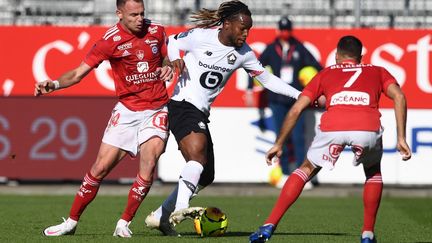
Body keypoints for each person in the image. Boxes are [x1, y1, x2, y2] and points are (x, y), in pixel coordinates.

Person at [143, 0, 302, 236]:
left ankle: (160, 216)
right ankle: (181, 208)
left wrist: (301, 96)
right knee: (196, 155)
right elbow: (173, 41)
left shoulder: (244, 54)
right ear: (227, 24)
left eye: (249, 29)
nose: (245, 33)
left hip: (200, 113)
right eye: (242, 28)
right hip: (181, 104)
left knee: (206, 175)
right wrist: (175, 58)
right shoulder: (200, 36)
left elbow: (268, 80)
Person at [249, 35, 412, 243]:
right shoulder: (377, 71)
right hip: (367, 127)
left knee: (306, 168)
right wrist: (401, 137)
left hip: (333, 126)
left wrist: (279, 143)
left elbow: (297, 108)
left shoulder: (325, 74)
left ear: (336, 56)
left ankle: (268, 226)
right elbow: (399, 96)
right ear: (360, 57)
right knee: (372, 171)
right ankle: (367, 234)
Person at [35, 0, 173, 238]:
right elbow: (78, 73)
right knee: (99, 169)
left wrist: (168, 66)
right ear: (119, 14)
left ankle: (124, 223)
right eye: (133, 15)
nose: (140, 19)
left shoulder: (157, 31)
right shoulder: (109, 41)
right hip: (128, 110)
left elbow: (166, 59)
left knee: (149, 164)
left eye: (142, 13)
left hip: (157, 108)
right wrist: (54, 84)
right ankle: (71, 222)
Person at [246, 16, 322, 189]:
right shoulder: (271, 49)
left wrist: (316, 86)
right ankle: (286, 174)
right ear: (278, 30)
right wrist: (250, 89)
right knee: (282, 138)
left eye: (287, 30)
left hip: (297, 100)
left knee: (299, 138)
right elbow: (253, 67)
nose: (285, 33)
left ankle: (303, 175)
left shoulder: (300, 48)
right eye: (282, 30)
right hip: (277, 101)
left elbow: (317, 67)